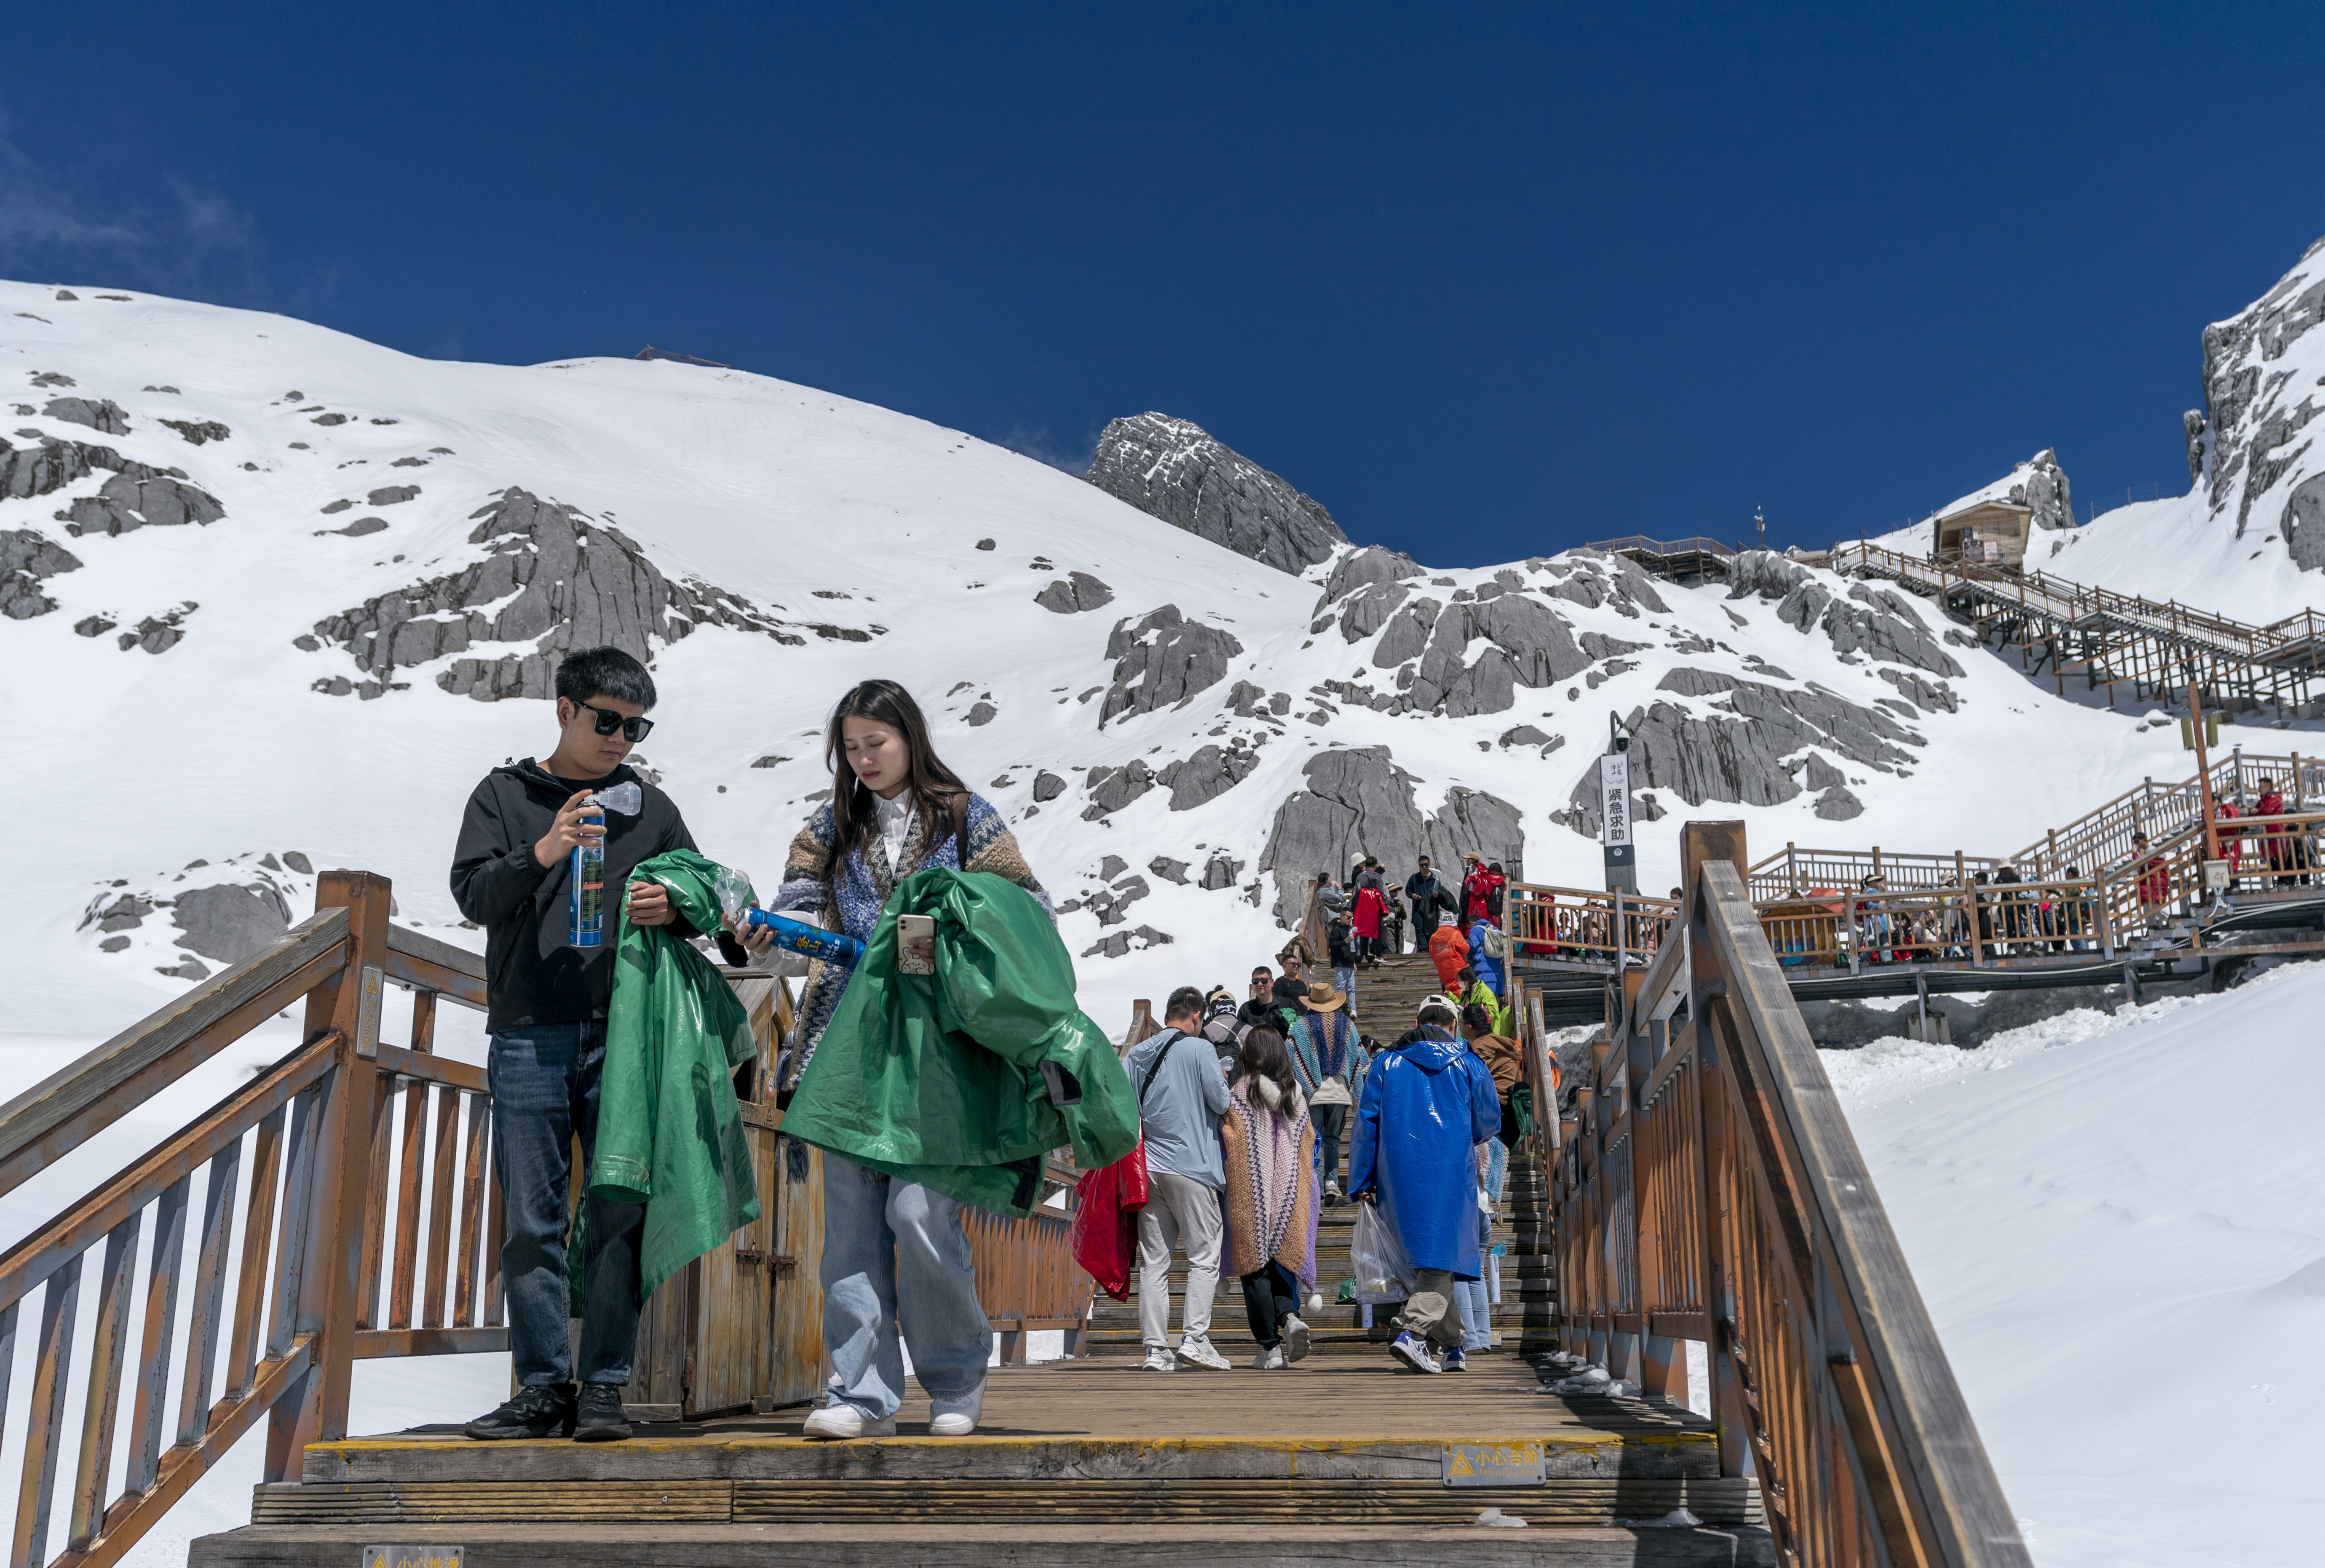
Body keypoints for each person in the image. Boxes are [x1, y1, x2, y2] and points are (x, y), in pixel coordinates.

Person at [736, 678, 1052, 1440]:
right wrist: (766, 936)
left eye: (874, 742)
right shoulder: (828, 822)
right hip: (841, 1044)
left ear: (910, 736)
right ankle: (858, 1390)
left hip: (936, 1051)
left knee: (917, 1211)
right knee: (847, 1228)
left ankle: (953, 1377)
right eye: (849, 746)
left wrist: (950, 921)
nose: (862, 758)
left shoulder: (965, 814)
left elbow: (1031, 909)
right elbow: (798, 917)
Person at [452, 646, 733, 1443]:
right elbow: (471, 894)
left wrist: (669, 907)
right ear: (564, 708)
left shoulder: (650, 807)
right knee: (531, 1222)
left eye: (635, 726)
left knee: (616, 1209)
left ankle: (603, 1385)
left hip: (626, 1035)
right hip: (529, 1034)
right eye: (607, 720)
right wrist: (542, 848)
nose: (621, 739)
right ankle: (542, 1386)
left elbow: (703, 894)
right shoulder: (505, 794)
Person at [1348, 1001, 1499, 1374]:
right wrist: (1464, 1135)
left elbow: (1366, 1124)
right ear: (1454, 1025)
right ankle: (1414, 1335)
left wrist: (1361, 1179)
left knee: (1427, 1264)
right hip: (1451, 1171)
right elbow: (1489, 1119)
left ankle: (1453, 1345)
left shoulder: (1385, 1063)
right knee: (1440, 1259)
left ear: (1417, 1023)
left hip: (1396, 1174)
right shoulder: (1469, 1063)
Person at [1123, 986, 1233, 1372]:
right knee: (1204, 1256)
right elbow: (1221, 1102)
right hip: (1193, 1167)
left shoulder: (1137, 1053)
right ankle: (1195, 1339)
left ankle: (1155, 1348)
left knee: (1155, 1261)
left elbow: (1125, 1107)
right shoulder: (1200, 1049)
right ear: (1198, 1016)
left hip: (1149, 1167)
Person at [1220, 1026, 1320, 1369]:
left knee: (1254, 1270)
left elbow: (1231, 1141)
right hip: (1291, 1192)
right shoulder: (1297, 1095)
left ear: (1250, 1054)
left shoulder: (1239, 1093)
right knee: (1281, 1267)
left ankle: (1270, 1347)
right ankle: (1291, 1317)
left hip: (1250, 1194)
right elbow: (1308, 1142)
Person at [1288, 979, 1367, 1202]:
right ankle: (1332, 1182)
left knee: (1315, 1138)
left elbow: (1291, 1054)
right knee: (1333, 1138)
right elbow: (1358, 1056)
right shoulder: (1346, 1024)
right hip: (1340, 1092)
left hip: (1313, 1094)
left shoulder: (1302, 1025)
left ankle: (1316, 1187)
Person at [1460, 1002, 1525, 1149]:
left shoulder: (1480, 1047)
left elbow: (1472, 1081)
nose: (1459, 1026)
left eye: (1461, 1022)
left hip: (1494, 1108)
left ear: (1469, 1028)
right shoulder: (1494, 1041)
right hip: (1508, 1107)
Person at [1405, 856, 1457, 949]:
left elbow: (1441, 893)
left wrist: (1437, 895)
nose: (1424, 867)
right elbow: (1408, 890)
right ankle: (1423, 951)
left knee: (1432, 930)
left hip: (1432, 909)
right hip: (1418, 908)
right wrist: (1413, 896)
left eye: (1426, 865)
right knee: (1420, 929)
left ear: (1430, 864)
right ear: (1419, 866)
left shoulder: (1435, 878)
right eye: (1422, 865)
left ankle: (1431, 950)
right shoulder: (1414, 878)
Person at [2132, 832, 2171, 929]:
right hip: (2150, 885)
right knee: (2148, 910)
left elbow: (2142, 864)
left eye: (2137, 842)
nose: (2137, 844)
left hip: (2154, 884)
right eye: (2135, 843)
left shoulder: (2151, 850)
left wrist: (2135, 855)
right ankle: (2151, 930)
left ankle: (2174, 921)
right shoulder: (2148, 851)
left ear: (2143, 840)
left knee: (2157, 908)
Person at [1327, 906, 1359, 1017]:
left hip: (1349, 963)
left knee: (1351, 988)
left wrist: (1353, 962)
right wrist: (1344, 941)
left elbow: (1351, 948)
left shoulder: (1348, 929)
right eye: (1348, 917)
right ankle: (1333, 1008)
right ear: (1341, 917)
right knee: (1340, 987)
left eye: (1352, 918)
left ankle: (1353, 1009)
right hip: (1340, 963)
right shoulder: (1337, 929)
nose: (1350, 920)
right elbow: (1332, 945)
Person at [1352, 871, 1387, 971]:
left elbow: (1355, 898)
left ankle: (1364, 956)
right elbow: (1382, 898)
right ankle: (1378, 955)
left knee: (1364, 933)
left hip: (1362, 908)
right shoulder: (1376, 887)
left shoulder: (1360, 885)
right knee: (1377, 931)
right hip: (1374, 909)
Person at [1428, 918, 1469, 991]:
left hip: (1442, 971)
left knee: (1449, 992)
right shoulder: (1456, 934)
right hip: (1459, 968)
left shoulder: (1433, 938)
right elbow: (1466, 950)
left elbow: (1432, 954)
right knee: (1461, 991)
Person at [1237, 967, 1281, 1031]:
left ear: (1272, 982)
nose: (1260, 984)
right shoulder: (1246, 1009)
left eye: (1264, 980)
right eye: (1256, 981)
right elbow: (1240, 1034)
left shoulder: (1287, 1005)